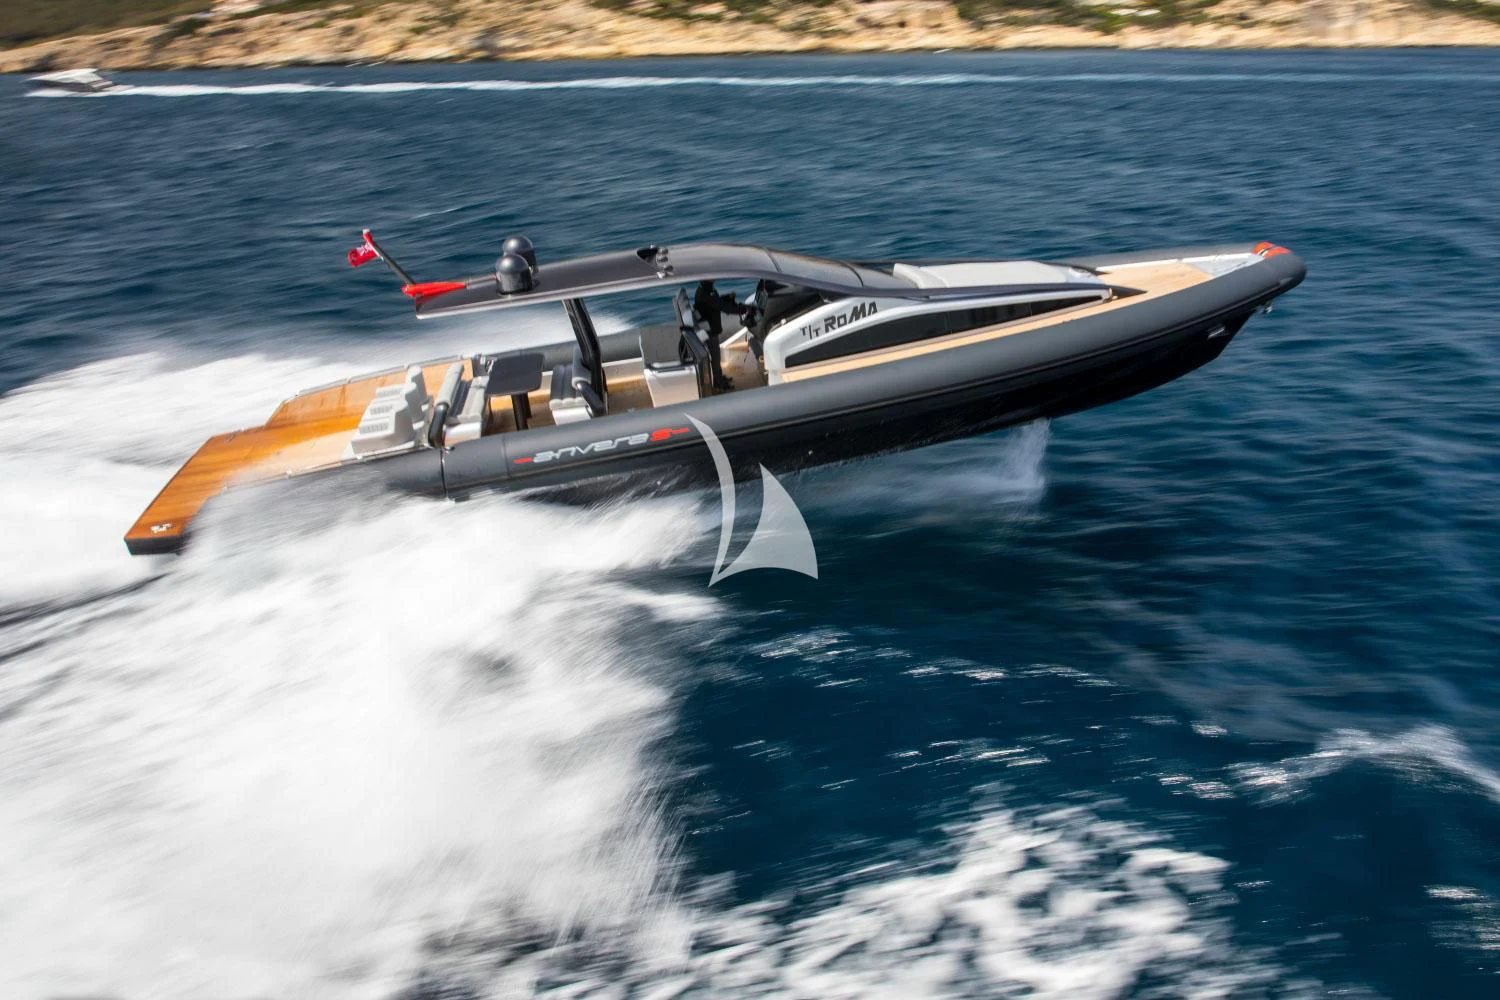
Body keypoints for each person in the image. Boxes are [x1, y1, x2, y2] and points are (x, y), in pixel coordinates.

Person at [693, 279, 745, 391]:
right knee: (715, 357)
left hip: (710, 327)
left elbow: (716, 302)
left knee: (716, 357)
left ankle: (719, 377)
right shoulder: (706, 293)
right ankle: (718, 384)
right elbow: (721, 306)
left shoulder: (705, 290)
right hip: (709, 331)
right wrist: (743, 309)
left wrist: (727, 298)